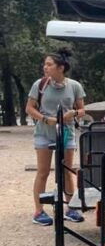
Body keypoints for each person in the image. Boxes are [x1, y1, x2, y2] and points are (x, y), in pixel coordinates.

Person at [25, 48, 86, 225]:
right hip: (44, 133)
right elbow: (29, 108)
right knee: (43, 172)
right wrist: (45, 118)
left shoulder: (74, 86)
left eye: (49, 64)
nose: (45, 67)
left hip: (66, 133)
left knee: (67, 171)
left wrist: (73, 113)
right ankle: (39, 211)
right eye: (45, 64)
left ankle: (71, 208)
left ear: (61, 67)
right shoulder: (40, 84)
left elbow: (82, 110)